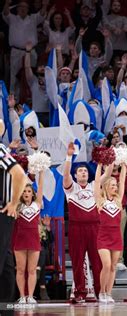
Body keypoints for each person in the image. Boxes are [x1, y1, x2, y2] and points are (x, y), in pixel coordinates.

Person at [63, 143, 108, 302]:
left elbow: (107, 175)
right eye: (79, 171)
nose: (82, 172)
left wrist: (106, 160)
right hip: (77, 228)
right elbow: (65, 175)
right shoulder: (71, 188)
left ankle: (100, 292)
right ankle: (80, 293)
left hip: (95, 228)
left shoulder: (94, 186)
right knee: (77, 261)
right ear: (76, 176)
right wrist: (69, 156)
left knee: (97, 262)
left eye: (84, 170)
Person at [0, 121, 28, 302]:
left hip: (2, 211)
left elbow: (19, 174)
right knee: (7, 262)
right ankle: (6, 306)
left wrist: (13, 202)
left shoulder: (0, 150)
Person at [93, 161, 127, 303]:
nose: (115, 187)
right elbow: (96, 184)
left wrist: (124, 164)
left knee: (113, 267)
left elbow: (123, 181)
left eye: (116, 185)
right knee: (106, 265)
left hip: (116, 237)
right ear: (106, 187)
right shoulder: (100, 201)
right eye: (112, 185)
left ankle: (108, 293)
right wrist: (100, 165)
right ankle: (101, 292)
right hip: (103, 237)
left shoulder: (118, 201)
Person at [13, 170, 44, 304]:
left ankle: (30, 296)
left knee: (32, 270)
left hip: (33, 240)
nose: (26, 193)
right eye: (24, 191)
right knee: (20, 269)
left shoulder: (37, 205)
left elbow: (41, 187)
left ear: (33, 194)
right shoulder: (16, 206)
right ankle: (22, 296)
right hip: (19, 240)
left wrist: (41, 173)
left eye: (29, 191)